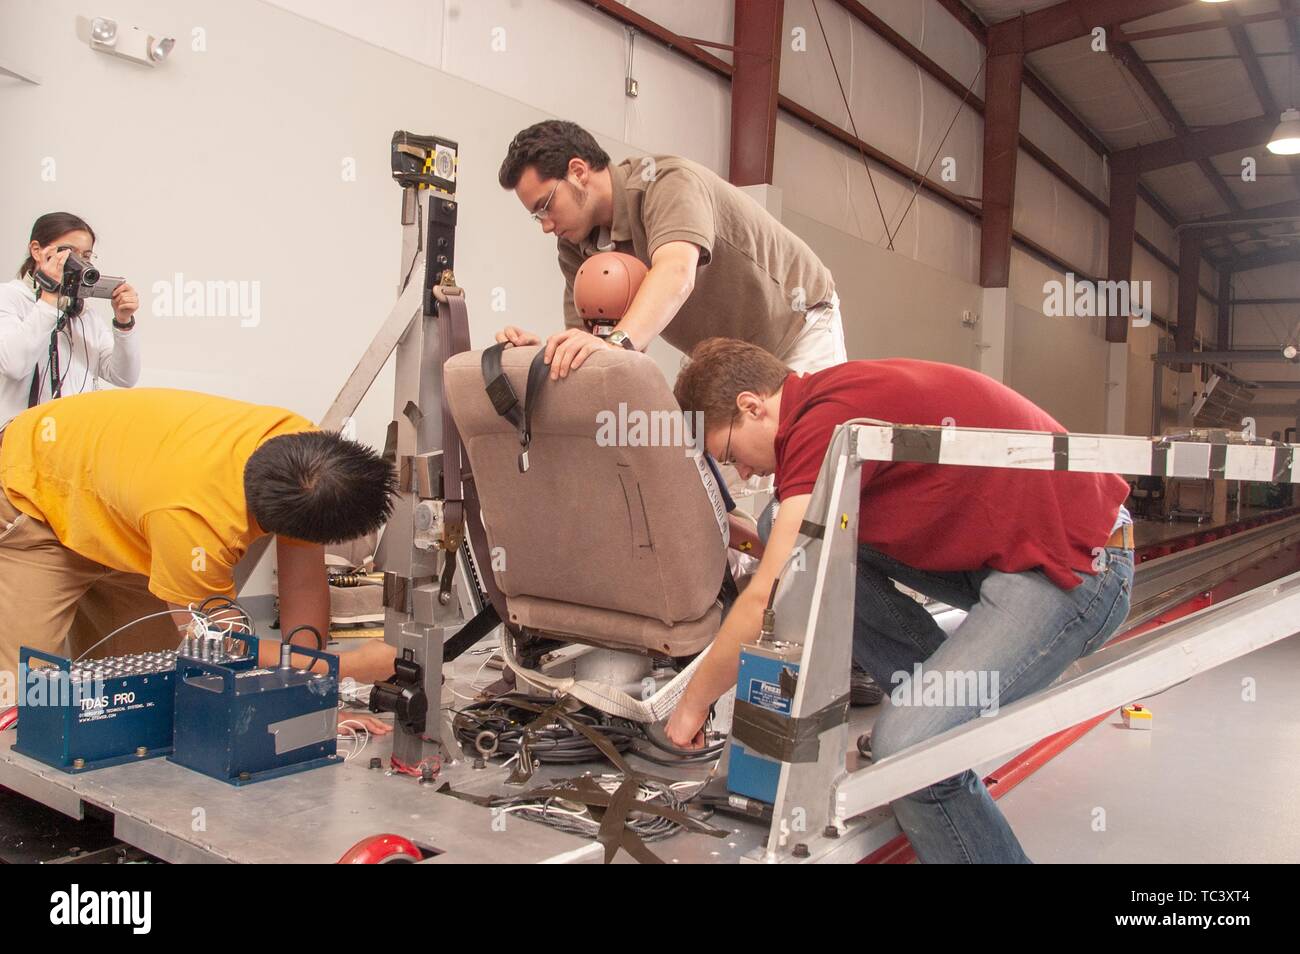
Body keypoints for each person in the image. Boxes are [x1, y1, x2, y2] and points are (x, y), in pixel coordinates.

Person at [666, 338, 1135, 863]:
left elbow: (764, 600)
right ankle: (929, 701)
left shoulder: (822, 425)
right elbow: (789, 547)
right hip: (1009, 555)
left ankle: (927, 733)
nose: (746, 474)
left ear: (752, 406)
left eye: (732, 455)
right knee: (784, 526)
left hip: (1078, 567)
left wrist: (691, 707)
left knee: (907, 751)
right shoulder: (824, 403)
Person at [0, 388, 399, 732]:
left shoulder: (308, 457)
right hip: (34, 492)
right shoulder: (194, 523)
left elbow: (303, 586)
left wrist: (313, 696)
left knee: (144, 693)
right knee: (26, 698)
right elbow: (222, 643)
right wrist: (344, 666)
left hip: (122, 509)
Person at [494, 120, 846, 379]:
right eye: (535, 216)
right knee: (726, 475)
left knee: (799, 461)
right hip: (732, 360)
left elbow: (676, 273)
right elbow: (593, 347)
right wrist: (544, 355)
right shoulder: (576, 245)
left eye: (546, 206)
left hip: (797, 326)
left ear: (578, 171)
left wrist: (616, 344)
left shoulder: (664, 183)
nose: (545, 224)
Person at [1, 212, 141, 425]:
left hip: (72, 442)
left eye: (85, 256)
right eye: (68, 252)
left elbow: (124, 377)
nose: (78, 263)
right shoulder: (10, 297)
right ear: (37, 250)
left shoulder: (82, 313)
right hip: (21, 444)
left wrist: (124, 323)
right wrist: (49, 296)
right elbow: (14, 365)